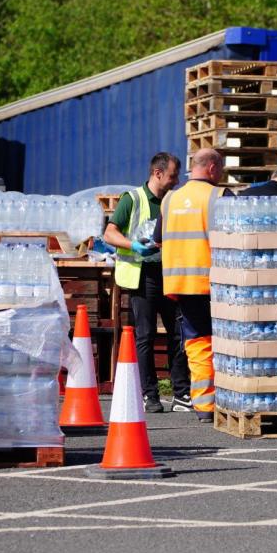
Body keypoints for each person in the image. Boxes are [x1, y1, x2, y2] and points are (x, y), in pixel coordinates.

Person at [102, 152, 192, 413]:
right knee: (146, 335)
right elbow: (109, 233)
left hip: (170, 274)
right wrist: (133, 246)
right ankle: (149, 394)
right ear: (157, 173)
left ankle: (181, 393)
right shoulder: (133, 199)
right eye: (173, 175)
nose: (176, 181)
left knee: (178, 334)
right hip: (143, 275)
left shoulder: (173, 201)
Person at [155, 148, 231, 423]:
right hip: (214, 283)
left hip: (179, 283)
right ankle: (223, 400)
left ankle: (204, 405)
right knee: (227, 342)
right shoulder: (218, 196)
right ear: (212, 168)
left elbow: (159, 239)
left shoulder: (170, 199)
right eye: (220, 169)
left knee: (197, 342)